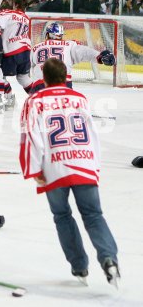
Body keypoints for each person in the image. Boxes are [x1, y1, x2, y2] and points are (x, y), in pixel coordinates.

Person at [19, 58, 120, 287]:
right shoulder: (80, 99)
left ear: (43, 78)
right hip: (83, 162)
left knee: (62, 216)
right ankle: (109, 259)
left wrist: (33, 169)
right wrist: (94, 166)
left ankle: (79, 266)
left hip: (54, 166)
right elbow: (92, 133)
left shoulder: (34, 101)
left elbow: (30, 136)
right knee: (94, 215)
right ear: (66, 76)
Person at [30, 22, 115, 92]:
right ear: (61, 35)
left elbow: (27, 64)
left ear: (47, 35)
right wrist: (99, 56)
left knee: (38, 109)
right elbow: (84, 52)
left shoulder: (37, 47)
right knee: (65, 108)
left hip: (40, 83)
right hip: (62, 83)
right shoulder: (69, 45)